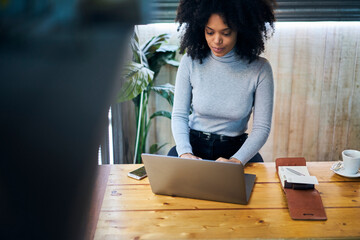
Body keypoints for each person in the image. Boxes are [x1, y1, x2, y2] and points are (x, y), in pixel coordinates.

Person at [169, 0, 276, 166]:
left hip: (236, 149)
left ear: (241, 30)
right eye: (209, 32)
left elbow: (261, 128)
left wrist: (236, 160)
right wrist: (184, 152)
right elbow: (179, 115)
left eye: (226, 33)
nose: (216, 40)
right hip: (193, 146)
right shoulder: (190, 61)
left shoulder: (260, 69)